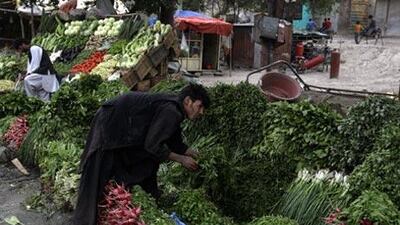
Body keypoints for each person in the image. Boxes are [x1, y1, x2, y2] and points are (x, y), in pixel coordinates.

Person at [73, 83, 211, 225]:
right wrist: (182, 159)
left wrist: (194, 154)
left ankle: (144, 202)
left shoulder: (176, 110)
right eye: (200, 106)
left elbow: (174, 142)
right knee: (94, 179)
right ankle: (83, 221)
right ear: (188, 101)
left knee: (144, 166)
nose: (201, 112)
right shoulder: (171, 111)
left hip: (123, 129)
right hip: (110, 125)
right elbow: (152, 145)